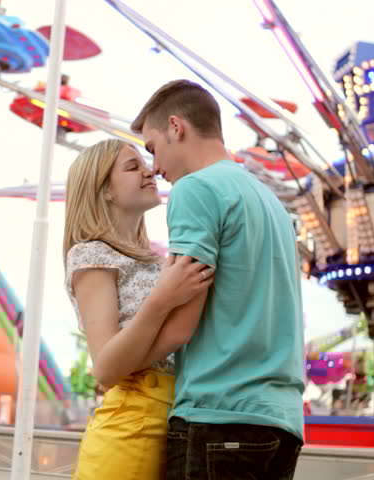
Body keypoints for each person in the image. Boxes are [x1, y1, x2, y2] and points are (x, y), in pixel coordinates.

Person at [131, 79, 306, 480]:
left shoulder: (195, 190)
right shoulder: (270, 202)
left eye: (153, 148)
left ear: (176, 127)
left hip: (218, 417)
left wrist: (122, 365)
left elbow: (181, 325)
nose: (154, 168)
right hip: (281, 422)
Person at [63, 138, 214, 479]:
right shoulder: (90, 255)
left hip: (172, 421)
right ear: (104, 191)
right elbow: (106, 368)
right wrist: (163, 300)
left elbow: (179, 334)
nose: (149, 172)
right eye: (133, 168)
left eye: (145, 163)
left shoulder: (152, 260)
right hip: (129, 431)